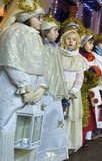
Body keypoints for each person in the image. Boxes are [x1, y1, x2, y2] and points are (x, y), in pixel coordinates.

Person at [0, 0, 48, 160]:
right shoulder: (14, 32)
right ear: (26, 17)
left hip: (29, 95)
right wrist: (25, 87)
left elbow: (41, 65)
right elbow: (10, 62)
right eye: (38, 17)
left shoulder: (34, 36)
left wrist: (41, 85)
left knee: (22, 132)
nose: (41, 21)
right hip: (10, 92)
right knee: (3, 127)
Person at [37, 14, 68, 160]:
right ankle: (40, 153)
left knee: (53, 122)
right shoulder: (40, 47)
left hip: (53, 92)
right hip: (42, 92)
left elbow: (58, 72)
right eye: (54, 31)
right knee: (42, 123)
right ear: (45, 31)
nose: (57, 34)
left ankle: (51, 154)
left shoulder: (54, 49)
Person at [58, 29, 89, 153]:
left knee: (70, 117)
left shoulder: (79, 58)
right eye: (68, 39)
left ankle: (68, 143)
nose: (71, 41)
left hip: (72, 92)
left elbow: (79, 76)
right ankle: (56, 143)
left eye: (74, 39)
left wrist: (75, 89)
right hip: (59, 89)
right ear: (64, 40)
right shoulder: (57, 54)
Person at [79, 30, 102, 144]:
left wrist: (96, 72)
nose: (92, 46)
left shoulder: (92, 57)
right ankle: (81, 137)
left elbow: (98, 71)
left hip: (92, 88)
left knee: (91, 112)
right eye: (90, 43)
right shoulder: (79, 57)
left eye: (93, 44)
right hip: (83, 88)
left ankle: (87, 136)